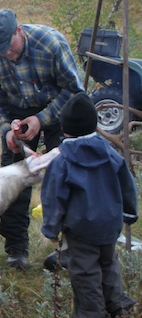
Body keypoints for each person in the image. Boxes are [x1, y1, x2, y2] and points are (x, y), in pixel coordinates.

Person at [0, 8, 83, 270]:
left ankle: (70, 247)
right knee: (13, 179)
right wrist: (6, 131)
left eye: (9, 45)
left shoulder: (50, 43)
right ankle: (16, 248)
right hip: (17, 113)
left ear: (19, 31)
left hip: (58, 111)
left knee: (68, 175)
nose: (6, 53)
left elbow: (74, 90)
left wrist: (42, 119)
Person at [41, 92, 138, 318]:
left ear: (65, 128)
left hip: (81, 228)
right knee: (108, 263)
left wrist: (51, 228)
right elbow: (127, 185)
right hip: (109, 225)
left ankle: (91, 312)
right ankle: (117, 305)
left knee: (86, 272)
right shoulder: (111, 154)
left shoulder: (62, 161)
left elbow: (54, 196)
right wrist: (129, 213)